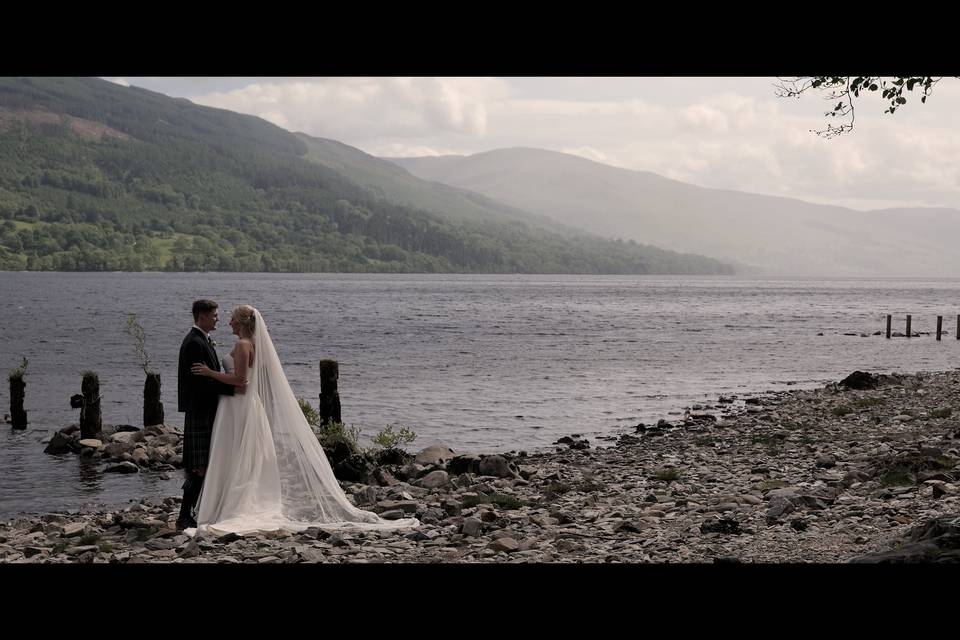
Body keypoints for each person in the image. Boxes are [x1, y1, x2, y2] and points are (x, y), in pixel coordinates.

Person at [187, 304, 418, 536]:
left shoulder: (243, 345)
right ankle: (239, 497)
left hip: (238, 405)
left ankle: (233, 502)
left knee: (236, 453)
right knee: (245, 455)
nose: (229, 323)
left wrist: (210, 373)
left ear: (243, 322)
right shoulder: (255, 345)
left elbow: (240, 381)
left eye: (233, 319)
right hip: (246, 405)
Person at [176, 299, 238, 531]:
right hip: (201, 409)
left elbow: (208, 377)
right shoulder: (194, 342)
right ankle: (184, 516)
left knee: (202, 465)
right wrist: (235, 389)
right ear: (201, 316)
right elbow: (201, 382)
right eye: (214, 315)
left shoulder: (201, 340)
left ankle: (191, 512)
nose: (218, 319)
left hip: (204, 409)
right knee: (199, 466)